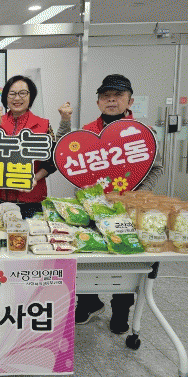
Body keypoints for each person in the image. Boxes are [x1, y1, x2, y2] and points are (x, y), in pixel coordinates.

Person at [75, 74, 163, 335]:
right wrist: (88, 198)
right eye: (105, 96)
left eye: (118, 95)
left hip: (129, 209)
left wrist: (136, 196)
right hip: (93, 208)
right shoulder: (86, 132)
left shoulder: (144, 133)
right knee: (87, 256)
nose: (111, 100)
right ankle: (89, 302)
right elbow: (77, 170)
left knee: (126, 260)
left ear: (130, 101)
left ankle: (121, 310)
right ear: (98, 102)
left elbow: (156, 168)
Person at [0, 75, 72, 218]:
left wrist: (35, 178)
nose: (17, 98)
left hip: (30, 199)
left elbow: (53, 160)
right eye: (12, 93)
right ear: (5, 97)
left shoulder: (43, 125)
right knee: (2, 231)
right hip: (0, 198)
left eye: (23, 93)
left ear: (31, 96)